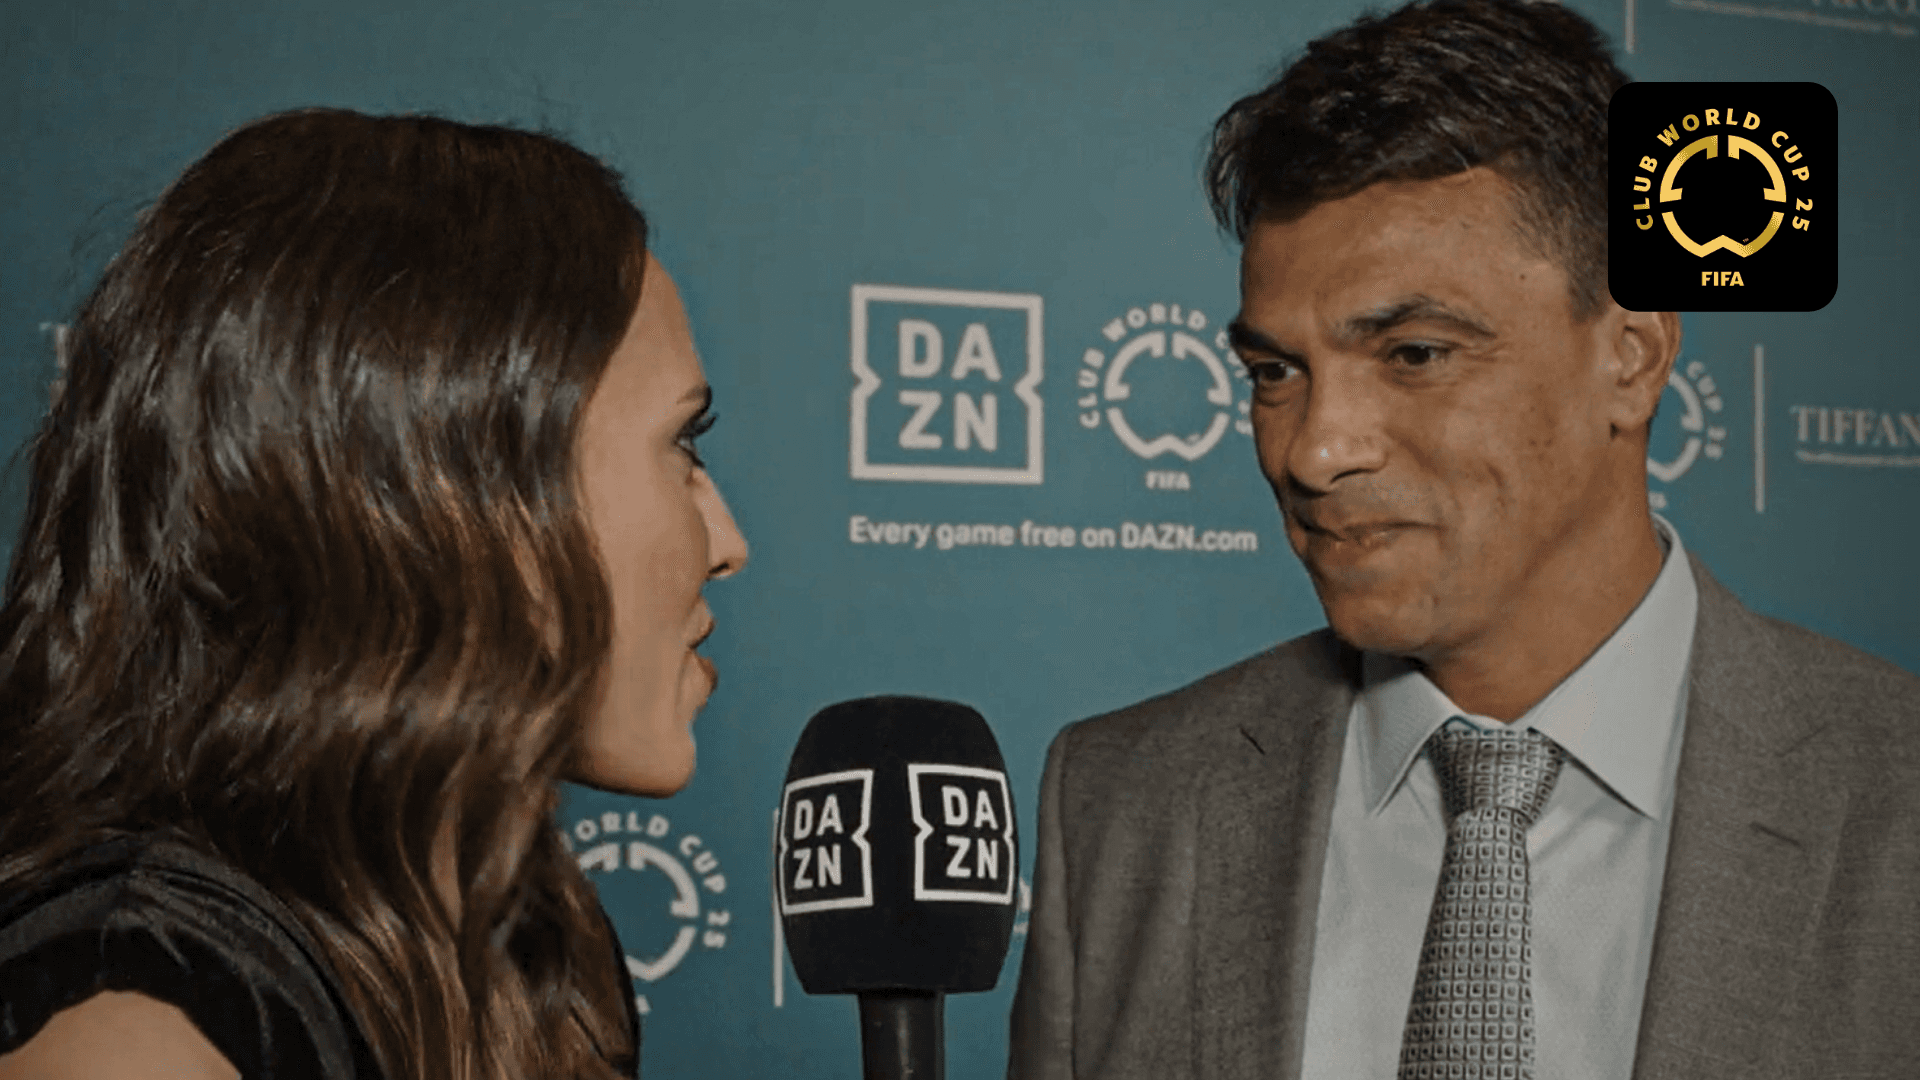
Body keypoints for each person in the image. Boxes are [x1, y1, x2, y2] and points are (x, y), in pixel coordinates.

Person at [1007, 1, 1918, 1078]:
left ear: (1631, 355)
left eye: (1415, 354)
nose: (1316, 451)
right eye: (1275, 372)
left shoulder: (1893, 790)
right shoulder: (1121, 804)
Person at [0, 109, 749, 1080]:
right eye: (683, 445)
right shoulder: (133, 1031)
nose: (727, 545)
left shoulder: (525, 938)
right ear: (455, 496)